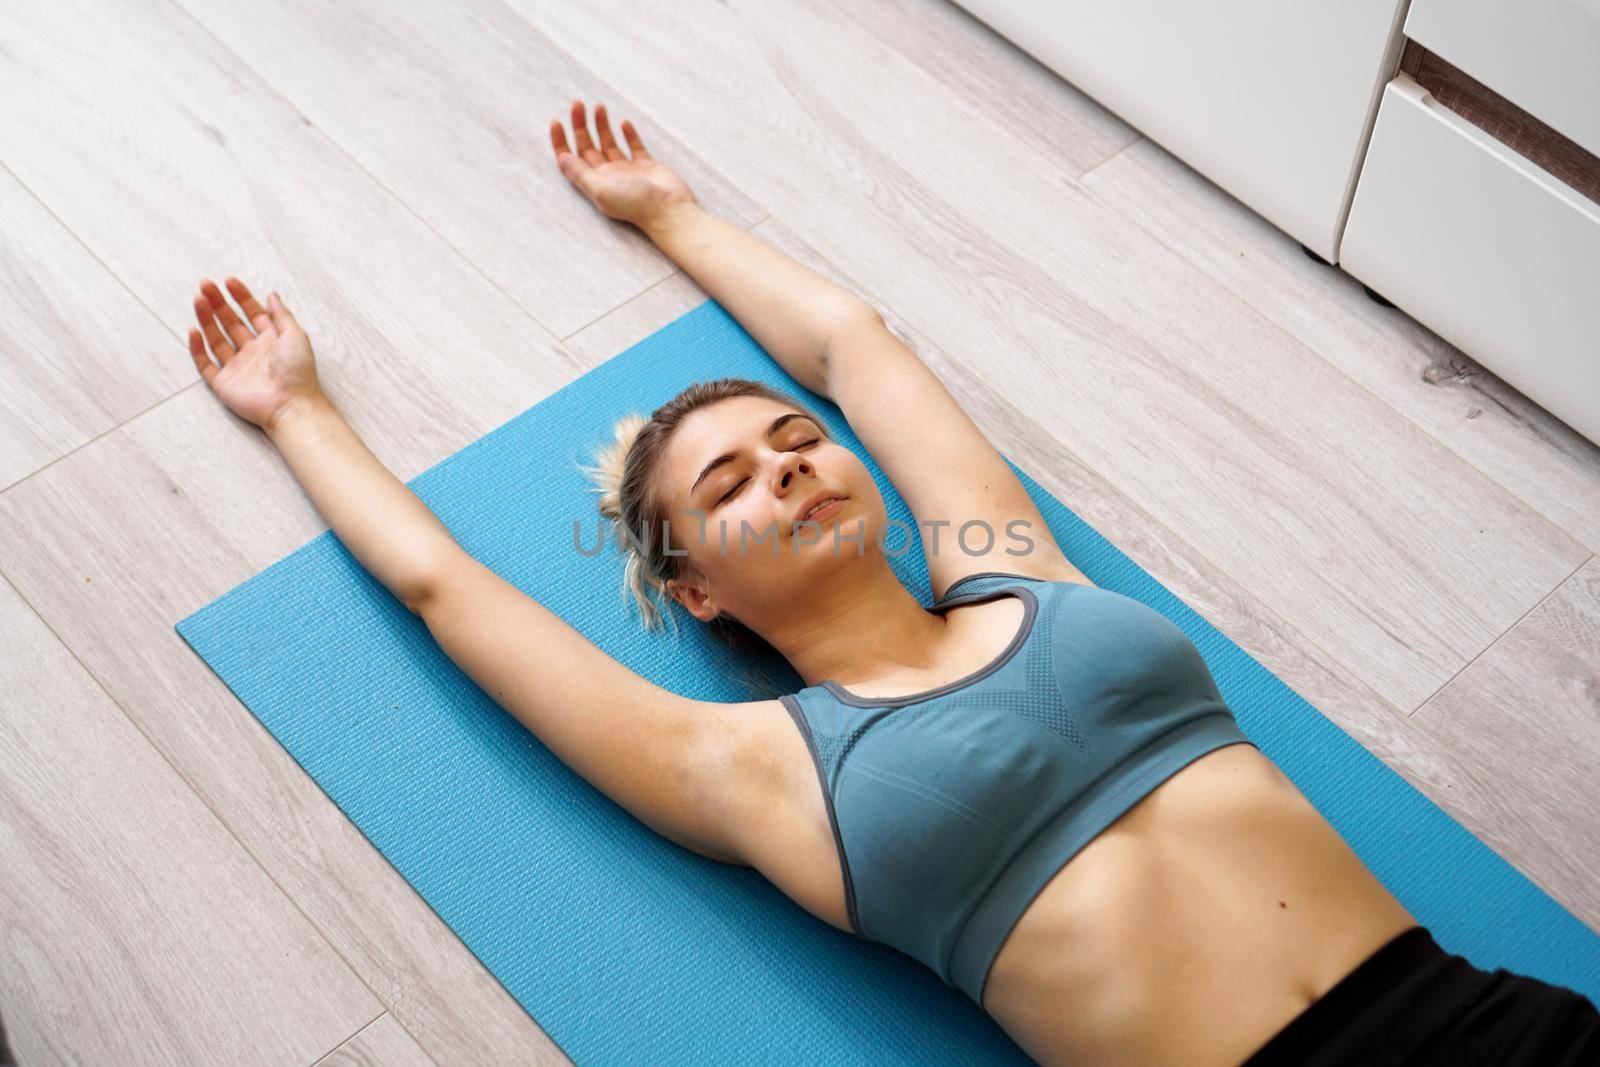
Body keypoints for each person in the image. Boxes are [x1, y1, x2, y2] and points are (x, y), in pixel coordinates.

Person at [182, 98, 1600, 1067]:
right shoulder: (748, 772)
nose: (789, 466)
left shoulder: (1013, 577)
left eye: (793, 444)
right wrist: (299, 409)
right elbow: (443, 588)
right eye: (727, 485)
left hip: (1491, 1027)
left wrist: (671, 214)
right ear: (695, 594)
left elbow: (856, 349)